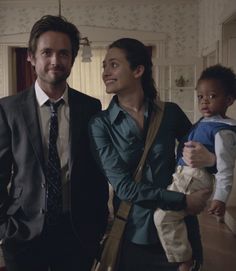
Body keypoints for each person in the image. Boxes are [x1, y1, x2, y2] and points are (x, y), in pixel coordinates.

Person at [88, 38, 215, 271]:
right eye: (104, 66)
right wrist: (184, 200)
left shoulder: (171, 113)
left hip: (178, 231)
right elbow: (124, 187)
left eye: (113, 65)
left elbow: (201, 152)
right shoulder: (100, 125)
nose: (105, 72)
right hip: (133, 234)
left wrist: (211, 160)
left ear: (138, 70)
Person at [0, 15, 108, 271]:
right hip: (22, 230)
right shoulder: (8, 108)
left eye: (63, 53)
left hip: (78, 231)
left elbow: (96, 171)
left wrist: (98, 223)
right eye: (46, 52)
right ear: (31, 56)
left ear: (72, 58)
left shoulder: (91, 107)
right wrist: (4, 226)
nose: (55, 61)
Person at [154, 64, 236, 271]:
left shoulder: (222, 131)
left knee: (163, 216)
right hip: (185, 174)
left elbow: (226, 168)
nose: (204, 101)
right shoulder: (207, 120)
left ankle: (186, 262)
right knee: (169, 215)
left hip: (195, 177)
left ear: (229, 100)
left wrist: (220, 198)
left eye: (212, 96)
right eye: (200, 96)